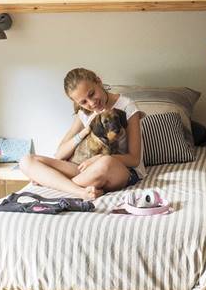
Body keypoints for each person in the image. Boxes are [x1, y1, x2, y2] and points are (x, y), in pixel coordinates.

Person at [20, 68, 145, 201]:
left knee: (105, 163)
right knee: (26, 161)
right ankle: (79, 191)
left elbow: (134, 159)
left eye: (91, 94)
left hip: (120, 170)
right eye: (83, 102)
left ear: (99, 81)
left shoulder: (127, 105)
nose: (91, 103)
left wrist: (98, 158)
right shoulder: (84, 114)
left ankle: (53, 182)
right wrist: (86, 130)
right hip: (84, 170)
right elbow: (59, 155)